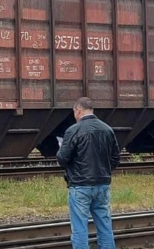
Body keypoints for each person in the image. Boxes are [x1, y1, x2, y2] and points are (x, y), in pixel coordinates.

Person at [56, 97, 120, 249]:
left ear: (78, 110)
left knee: (79, 229)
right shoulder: (107, 129)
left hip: (80, 185)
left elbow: (63, 159)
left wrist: (60, 149)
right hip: (102, 184)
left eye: (74, 112)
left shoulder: (73, 130)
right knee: (105, 226)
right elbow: (116, 159)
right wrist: (104, 171)